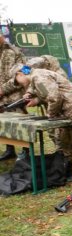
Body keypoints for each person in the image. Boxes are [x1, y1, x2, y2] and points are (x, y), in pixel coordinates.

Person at [11, 64, 72, 182]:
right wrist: (30, 94)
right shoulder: (35, 76)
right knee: (64, 140)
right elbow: (43, 91)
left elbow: (54, 97)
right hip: (64, 111)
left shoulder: (38, 77)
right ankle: (67, 167)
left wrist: (50, 114)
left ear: (20, 74)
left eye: (17, 81)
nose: (20, 84)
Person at [0, 32, 26, 161]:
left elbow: (25, 72)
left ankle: (26, 151)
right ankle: (10, 150)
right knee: (3, 122)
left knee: (20, 122)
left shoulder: (15, 51)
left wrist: (3, 90)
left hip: (14, 93)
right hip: (1, 95)